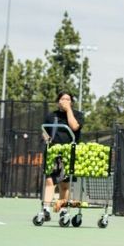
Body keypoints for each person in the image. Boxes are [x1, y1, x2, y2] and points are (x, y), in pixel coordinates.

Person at [40, 91, 83, 221]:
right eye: (63, 99)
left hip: (70, 152)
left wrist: (68, 110)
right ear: (58, 101)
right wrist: (47, 139)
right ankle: (46, 210)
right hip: (53, 152)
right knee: (50, 181)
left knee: (65, 184)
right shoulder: (51, 116)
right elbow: (44, 132)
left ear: (71, 102)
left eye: (68, 99)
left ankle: (63, 210)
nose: (65, 101)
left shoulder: (78, 115)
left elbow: (74, 127)